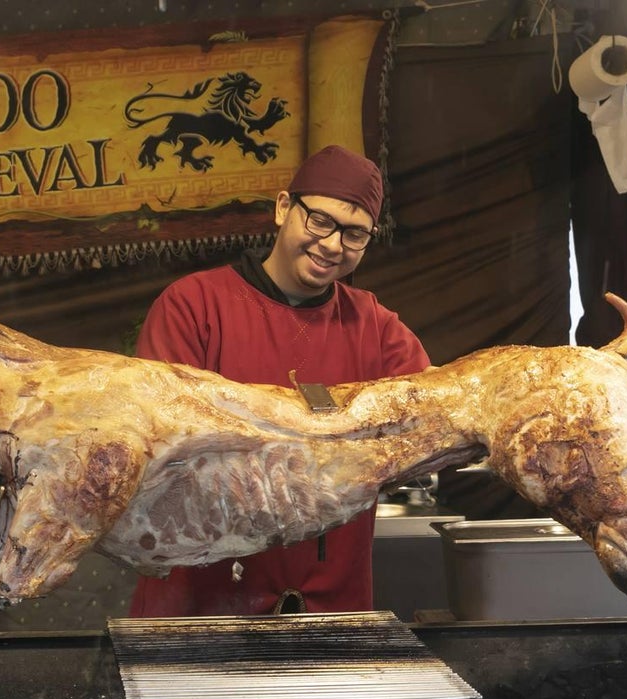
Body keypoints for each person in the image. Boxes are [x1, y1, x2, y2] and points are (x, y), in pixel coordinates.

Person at [129, 145, 431, 618]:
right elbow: (160, 445)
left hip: (333, 606)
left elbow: (436, 412)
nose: (332, 245)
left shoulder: (375, 325)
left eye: (355, 234)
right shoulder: (194, 307)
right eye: (320, 221)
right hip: (201, 601)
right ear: (283, 207)